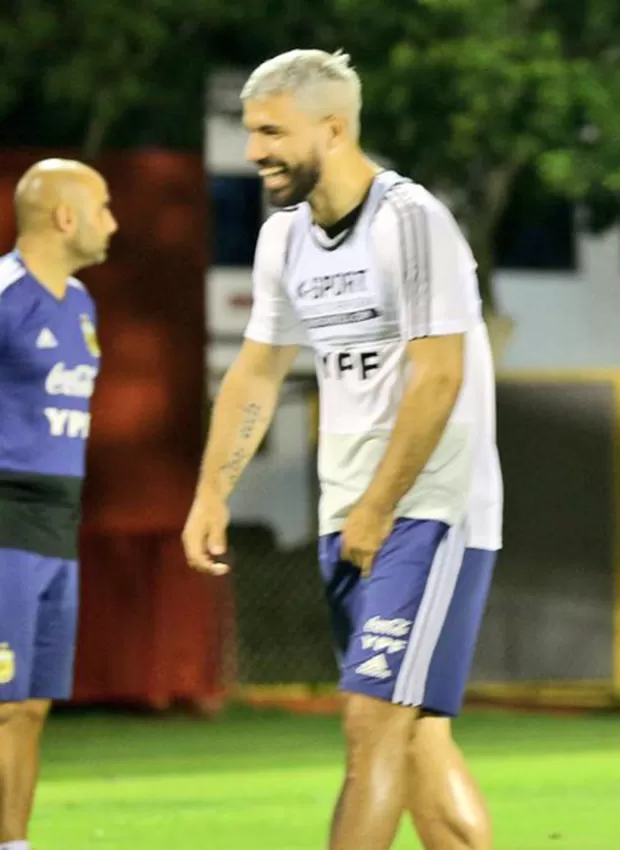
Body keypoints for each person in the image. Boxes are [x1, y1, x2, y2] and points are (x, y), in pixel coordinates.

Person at [179, 49, 502, 850]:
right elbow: (255, 374)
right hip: (350, 509)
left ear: (333, 127)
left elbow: (440, 378)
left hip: (429, 507)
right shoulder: (284, 238)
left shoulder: (412, 220)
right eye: (250, 132)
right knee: (414, 734)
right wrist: (211, 494)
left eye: (270, 132)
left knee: (369, 723)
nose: (254, 152)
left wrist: (379, 507)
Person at [0, 158, 116, 850]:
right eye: (103, 207)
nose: (113, 222)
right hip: (4, 523)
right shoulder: (4, 293)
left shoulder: (80, 303)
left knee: (32, 705)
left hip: (56, 528)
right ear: (64, 216)